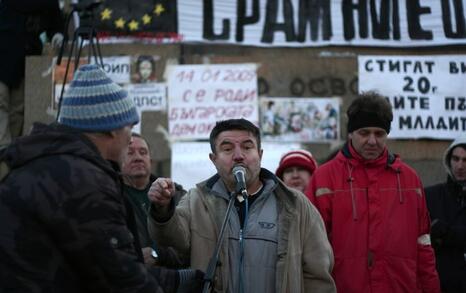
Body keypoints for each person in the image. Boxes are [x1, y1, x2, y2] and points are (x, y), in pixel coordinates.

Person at [0, 64, 201, 292]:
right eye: (130, 126)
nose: (130, 139)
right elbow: (120, 278)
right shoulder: (83, 181)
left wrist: (175, 280)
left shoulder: (47, 167)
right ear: (112, 129)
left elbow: (94, 261)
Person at [147, 118, 336, 293]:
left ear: (260, 155)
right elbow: (171, 239)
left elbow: (317, 273)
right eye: (227, 149)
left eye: (247, 147)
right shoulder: (196, 200)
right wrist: (162, 208)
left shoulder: (295, 204)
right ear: (214, 159)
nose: (239, 156)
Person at [305, 92, 441, 292]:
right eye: (364, 132)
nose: (372, 141)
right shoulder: (324, 178)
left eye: (379, 133)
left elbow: (423, 245)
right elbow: (310, 248)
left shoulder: (409, 179)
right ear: (351, 133)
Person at [0, 0, 64, 149]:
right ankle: (4, 152)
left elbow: (55, 23)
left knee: (17, 110)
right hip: (8, 54)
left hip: (25, 60)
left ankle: (9, 155)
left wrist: (57, 35)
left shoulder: (48, 4)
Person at [122, 133, 186, 268]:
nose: (138, 158)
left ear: (151, 161)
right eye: (130, 153)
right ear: (119, 159)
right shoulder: (111, 197)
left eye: (143, 152)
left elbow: (192, 246)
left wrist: (158, 254)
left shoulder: (177, 195)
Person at [425, 136, 466, 292]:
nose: (460, 166)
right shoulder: (431, 196)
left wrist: (448, 234)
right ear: (449, 160)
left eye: (465, 160)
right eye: (456, 159)